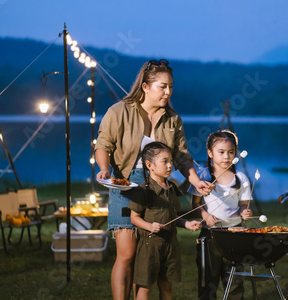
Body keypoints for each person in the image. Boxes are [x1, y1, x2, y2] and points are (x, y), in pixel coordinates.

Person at [95, 59, 214, 300]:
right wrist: (104, 169)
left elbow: (181, 156)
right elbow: (103, 145)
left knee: (149, 254)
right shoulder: (118, 112)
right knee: (127, 254)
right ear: (146, 87)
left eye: (171, 86)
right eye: (163, 86)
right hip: (126, 186)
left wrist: (195, 180)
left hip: (160, 189)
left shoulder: (172, 119)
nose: (168, 92)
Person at [129, 142, 201, 300]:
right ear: (150, 165)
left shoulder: (172, 189)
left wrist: (186, 224)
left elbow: (173, 216)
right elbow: (134, 217)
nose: (170, 165)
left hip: (170, 245)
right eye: (165, 161)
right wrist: (149, 226)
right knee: (145, 287)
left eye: (171, 161)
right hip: (150, 247)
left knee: (167, 286)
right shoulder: (144, 190)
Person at [188, 130, 252, 300]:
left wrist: (244, 212)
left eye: (231, 152)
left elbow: (243, 206)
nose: (226, 156)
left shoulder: (241, 178)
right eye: (221, 152)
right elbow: (194, 204)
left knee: (235, 279)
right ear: (210, 153)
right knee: (208, 278)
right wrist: (205, 216)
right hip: (210, 235)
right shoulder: (201, 177)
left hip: (235, 234)